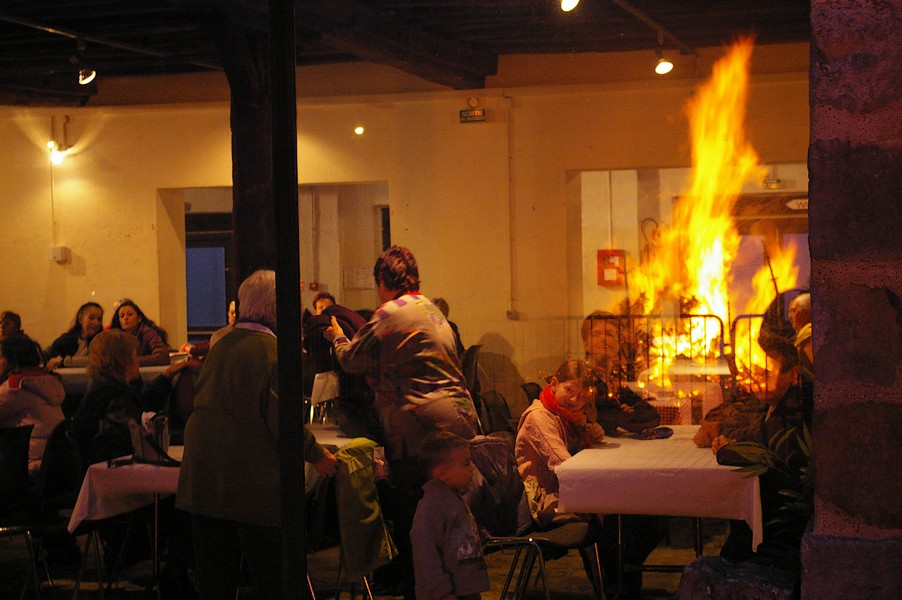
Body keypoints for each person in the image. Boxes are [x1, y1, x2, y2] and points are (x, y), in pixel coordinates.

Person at [324, 245, 479, 600]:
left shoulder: (391, 312)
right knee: (452, 520)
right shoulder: (430, 309)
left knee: (415, 516)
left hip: (421, 428)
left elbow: (351, 360)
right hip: (459, 421)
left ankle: (420, 590)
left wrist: (336, 337)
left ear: (382, 281)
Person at [176, 269, 338, 600]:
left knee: (216, 584)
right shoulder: (271, 352)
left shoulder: (221, 346)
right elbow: (285, 423)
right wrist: (318, 456)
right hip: (250, 487)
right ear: (277, 309)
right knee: (274, 579)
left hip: (204, 482)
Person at [712, 336, 813, 562]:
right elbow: (741, 424)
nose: (756, 381)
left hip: (784, 525)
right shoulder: (769, 398)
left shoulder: (797, 406)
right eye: (754, 373)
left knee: (733, 553)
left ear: (793, 373)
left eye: (765, 374)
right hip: (765, 508)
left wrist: (728, 449)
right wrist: (727, 437)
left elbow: (773, 458)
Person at [70, 329, 194, 466]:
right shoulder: (113, 396)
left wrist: (167, 375)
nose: (138, 362)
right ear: (123, 361)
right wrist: (190, 436)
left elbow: (140, 403)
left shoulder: (103, 386)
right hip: (110, 474)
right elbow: (142, 435)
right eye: (135, 356)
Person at [410, 431, 490, 600]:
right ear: (442, 473)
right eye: (466, 464)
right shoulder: (432, 507)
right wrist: (442, 592)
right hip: (447, 594)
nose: (472, 468)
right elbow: (425, 554)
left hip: (465, 589)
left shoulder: (453, 498)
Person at [580, 311, 660, 435]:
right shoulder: (583, 380)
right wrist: (622, 415)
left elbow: (653, 416)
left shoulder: (615, 384)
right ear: (585, 344)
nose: (604, 339)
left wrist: (621, 416)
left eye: (609, 334)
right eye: (596, 334)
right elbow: (596, 419)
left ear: (619, 343)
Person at [0, 333, 65, 477]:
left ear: (14, 360)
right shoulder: (45, 381)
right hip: (52, 462)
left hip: (25, 465)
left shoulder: (16, 387)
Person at [109, 299, 170, 366]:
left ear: (139, 318)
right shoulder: (116, 337)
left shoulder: (148, 332)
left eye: (130, 314)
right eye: (122, 316)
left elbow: (162, 357)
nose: (125, 318)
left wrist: (132, 362)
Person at [45, 302, 105, 369]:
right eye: (91, 318)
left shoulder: (102, 342)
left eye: (99, 319)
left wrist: (64, 361)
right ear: (80, 319)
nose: (96, 322)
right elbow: (49, 354)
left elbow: (95, 360)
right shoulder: (66, 339)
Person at [788, 292, 813, 375]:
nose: (789, 316)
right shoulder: (803, 335)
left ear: (805, 313)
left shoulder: (809, 335)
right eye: (789, 312)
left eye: (793, 311)